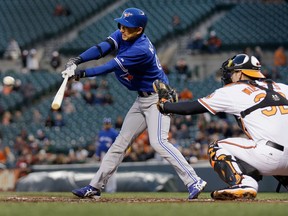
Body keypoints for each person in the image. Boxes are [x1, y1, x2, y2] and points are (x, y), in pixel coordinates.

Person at [63, 8, 206, 199]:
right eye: (121, 25)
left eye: (127, 27)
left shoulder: (141, 49)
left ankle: (194, 180)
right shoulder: (123, 34)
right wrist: (77, 60)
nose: (122, 29)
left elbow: (110, 66)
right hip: (142, 98)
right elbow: (101, 49)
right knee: (120, 143)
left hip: (158, 98)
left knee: (159, 142)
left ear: (139, 30)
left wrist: (81, 73)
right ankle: (95, 186)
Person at [155, 54, 288, 200]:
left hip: (270, 157)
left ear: (240, 73)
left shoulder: (234, 90)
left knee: (216, 147)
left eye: (231, 72)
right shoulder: (282, 87)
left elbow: (191, 108)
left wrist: (165, 105)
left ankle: (244, 184)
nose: (229, 76)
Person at [95, 118, 119, 193]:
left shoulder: (114, 133)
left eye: (108, 123)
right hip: (103, 154)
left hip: (111, 154)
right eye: (106, 123)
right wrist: (97, 154)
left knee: (111, 172)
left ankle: (112, 190)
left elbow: (117, 144)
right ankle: (106, 189)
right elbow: (98, 145)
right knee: (104, 172)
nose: (107, 125)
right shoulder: (101, 133)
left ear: (111, 124)